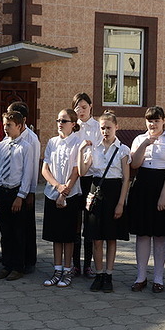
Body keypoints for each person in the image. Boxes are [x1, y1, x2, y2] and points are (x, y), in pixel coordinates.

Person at [128, 106, 165, 292]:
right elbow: (134, 164)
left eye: (156, 120)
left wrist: (164, 196)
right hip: (142, 187)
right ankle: (141, 276)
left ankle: (158, 278)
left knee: (160, 234)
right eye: (150, 121)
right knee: (142, 234)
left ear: (163, 121)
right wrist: (145, 144)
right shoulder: (139, 139)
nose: (153, 124)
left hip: (162, 185)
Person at [79, 111, 131, 293]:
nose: (105, 131)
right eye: (102, 128)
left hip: (114, 192)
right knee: (96, 238)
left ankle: (109, 275)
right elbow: (83, 172)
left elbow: (126, 178)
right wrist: (81, 151)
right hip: (97, 192)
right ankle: (99, 274)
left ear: (116, 127)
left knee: (111, 237)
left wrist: (121, 203)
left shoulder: (123, 150)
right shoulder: (94, 148)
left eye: (109, 127)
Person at [0, 110, 37, 281]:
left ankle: (18, 267)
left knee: (18, 231)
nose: (5, 128)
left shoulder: (26, 147)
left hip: (16, 192)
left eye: (9, 125)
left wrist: (21, 196)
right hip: (2, 191)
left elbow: (27, 173)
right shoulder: (1, 145)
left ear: (19, 126)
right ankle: (7, 265)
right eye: (4, 125)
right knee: (5, 231)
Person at [40, 109, 82, 286]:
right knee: (56, 235)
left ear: (73, 124)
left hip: (71, 194)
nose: (60, 124)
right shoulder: (52, 142)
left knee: (68, 235)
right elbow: (45, 169)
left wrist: (65, 192)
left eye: (64, 121)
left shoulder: (78, 143)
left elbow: (76, 171)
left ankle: (67, 270)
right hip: (52, 192)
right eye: (58, 120)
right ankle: (57, 270)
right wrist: (57, 187)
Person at [7, 101, 42, 273]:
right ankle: (12, 255)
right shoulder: (8, 137)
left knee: (26, 226)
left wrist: (31, 192)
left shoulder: (31, 139)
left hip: (25, 189)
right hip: (10, 187)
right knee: (12, 226)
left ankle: (29, 259)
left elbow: (33, 167)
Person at [72, 93, 103, 277]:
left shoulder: (97, 127)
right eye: (77, 108)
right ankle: (75, 264)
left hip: (91, 178)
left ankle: (88, 265)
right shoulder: (72, 126)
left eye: (84, 107)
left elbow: (98, 151)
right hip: (74, 178)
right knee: (75, 222)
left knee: (89, 221)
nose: (81, 111)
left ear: (91, 107)